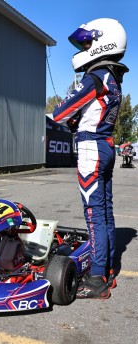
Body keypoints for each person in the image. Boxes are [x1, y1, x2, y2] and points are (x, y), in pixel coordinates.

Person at [53, 18, 129, 299]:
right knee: (105, 213)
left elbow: (61, 112)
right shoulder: (113, 78)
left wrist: (68, 112)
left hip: (91, 148)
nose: (84, 47)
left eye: (87, 42)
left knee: (94, 214)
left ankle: (96, 278)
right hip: (106, 145)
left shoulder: (95, 76)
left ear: (103, 42)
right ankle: (107, 271)